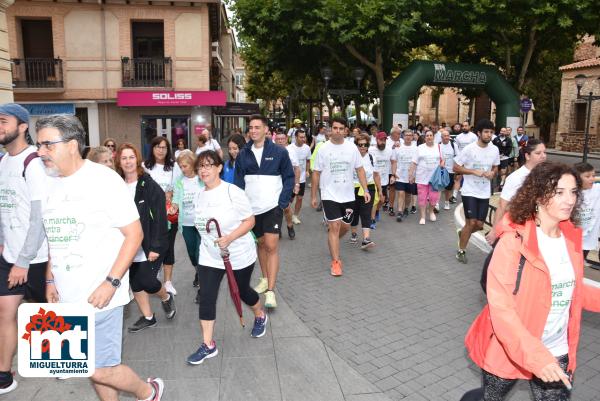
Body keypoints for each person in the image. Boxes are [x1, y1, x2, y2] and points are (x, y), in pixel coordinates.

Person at [37, 114, 164, 401]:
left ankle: (149, 392)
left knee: (98, 369)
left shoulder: (103, 179)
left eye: (47, 144)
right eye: (39, 144)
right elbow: (55, 238)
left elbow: (135, 235)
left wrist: (111, 282)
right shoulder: (49, 183)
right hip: (66, 295)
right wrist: (50, 278)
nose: (40, 151)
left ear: (71, 145)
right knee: (90, 365)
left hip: (101, 294)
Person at [464, 161, 600, 401]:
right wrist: (537, 357)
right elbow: (502, 309)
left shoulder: (570, 238)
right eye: (558, 192)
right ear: (537, 195)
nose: (569, 200)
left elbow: (571, 290)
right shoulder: (512, 242)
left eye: (573, 192)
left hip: (556, 348)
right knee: (490, 398)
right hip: (510, 346)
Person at [187, 150, 268, 365]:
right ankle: (208, 344)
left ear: (219, 168)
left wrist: (230, 238)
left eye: (208, 165)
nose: (203, 170)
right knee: (206, 295)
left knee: (243, 292)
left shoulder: (233, 192)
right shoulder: (198, 194)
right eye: (200, 166)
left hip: (238, 253)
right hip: (210, 256)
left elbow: (250, 221)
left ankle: (260, 314)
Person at [0, 104, 48, 395]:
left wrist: (23, 260)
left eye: (3, 121)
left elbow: (39, 217)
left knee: (50, 313)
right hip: (9, 254)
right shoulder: (3, 162)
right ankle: (3, 374)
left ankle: (60, 362)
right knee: (5, 311)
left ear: (22, 127)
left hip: (36, 257)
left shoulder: (33, 163)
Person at [234, 114, 294, 308]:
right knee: (260, 244)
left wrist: (282, 202)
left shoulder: (279, 152)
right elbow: (238, 183)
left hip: (272, 207)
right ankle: (265, 278)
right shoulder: (244, 153)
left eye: (257, 127)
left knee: (271, 245)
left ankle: (271, 292)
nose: (253, 131)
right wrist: (238, 206)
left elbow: (289, 178)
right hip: (252, 209)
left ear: (266, 130)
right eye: (250, 127)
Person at [115, 143, 176, 333]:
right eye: (124, 158)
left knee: (148, 282)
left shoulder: (148, 185)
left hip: (149, 243)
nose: (128, 161)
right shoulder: (116, 185)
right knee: (134, 281)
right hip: (125, 244)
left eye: (131, 157)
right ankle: (148, 317)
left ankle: (166, 297)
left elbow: (159, 217)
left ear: (137, 159)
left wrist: (156, 246)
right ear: (119, 161)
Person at [311, 117, 371, 276]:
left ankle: (333, 238)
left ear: (346, 130)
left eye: (340, 128)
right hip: (329, 194)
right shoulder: (323, 148)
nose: (337, 131)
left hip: (348, 194)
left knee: (344, 226)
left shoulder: (352, 148)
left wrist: (365, 190)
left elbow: (360, 170)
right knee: (335, 226)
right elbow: (316, 173)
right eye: (334, 128)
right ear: (330, 130)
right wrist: (313, 196)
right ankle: (336, 262)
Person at [453, 119, 500, 263]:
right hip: (469, 191)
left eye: (491, 132)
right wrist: (473, 171)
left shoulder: (494, 149)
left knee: (479, 225)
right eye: (486, 132)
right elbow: (456, 167)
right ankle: (461, 251)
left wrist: (493, 173)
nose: (489, 135)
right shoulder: (469, 149)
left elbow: (495, 167)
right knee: (471, 222)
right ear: (479, 133)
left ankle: (463, 233)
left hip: (484, 192)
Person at [486, 138, 547, 244]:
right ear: (527, 156)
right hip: (517, 230)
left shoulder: (546, 175)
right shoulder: (516, 177)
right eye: (538, 153)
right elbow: (502, 205)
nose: (543, 156)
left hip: (539, 229)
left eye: (544, 152)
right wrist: (494, 231)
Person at [143, 136, 181, 295]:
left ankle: (168, 282)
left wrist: (174, 203)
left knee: (168, 246)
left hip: (169, 214)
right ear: (152, 148)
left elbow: (179, 187)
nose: (161, 150)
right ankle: (154, 273)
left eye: (164, 147)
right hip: (150, 215)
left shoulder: (174, 166)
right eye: (157, 147)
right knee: (151, 245)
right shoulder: (144, 166)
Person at [172, 150, 204, 293]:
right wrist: (173, 207)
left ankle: (203, 287)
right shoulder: (179, 181)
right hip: (186, 224)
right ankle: (198, 271)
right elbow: (176, 200)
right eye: (180, 166)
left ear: (192, 164)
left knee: (200, 253)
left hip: (202, 223)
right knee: (192, 254)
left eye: (185, 166)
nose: (182, 169)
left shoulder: (201, 179)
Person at [350, 133, 381, 248]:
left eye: (365, 144)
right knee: (354, 212)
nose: (363, 147)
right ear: (356, 145)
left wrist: (381, 190)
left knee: (366, 212)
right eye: (360, 144)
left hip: (369, 187)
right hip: (354, 188)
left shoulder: (372, 158)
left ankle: (366, 239)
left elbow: (376, 175)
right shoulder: (352, 157)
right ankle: (353, 233)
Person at [408, 130, 443, 225]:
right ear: (425, 137)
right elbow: (414, 162)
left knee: (433, 198)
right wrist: (411, 175)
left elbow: (442, 160)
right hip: (421, 178)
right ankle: (423, 216)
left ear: (433, 137)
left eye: (431, 135)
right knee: (422, 198)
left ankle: (431, 211)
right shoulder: (419, 148)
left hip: (434, 179)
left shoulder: (438, 147)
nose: (429, 137)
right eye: (427, 135)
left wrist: (442, 166)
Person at [274, 130, 300, 240]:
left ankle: (290, 226)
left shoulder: (291, 151)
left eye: (282, 139)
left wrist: (297, 184)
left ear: (286, 140)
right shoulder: (271, 151)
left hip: (287, 184)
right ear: (275, 140)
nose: (280, 141)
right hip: (274, 184)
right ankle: (277, 228)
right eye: (278, 139)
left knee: (286, 207)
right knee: (275, 208)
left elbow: (297, 168)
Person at [574, 162, 600, 263]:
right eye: (587, 176)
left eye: (593, 175)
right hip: (573, 236)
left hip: (589, 237)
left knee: (580, 262)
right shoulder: (572, 191)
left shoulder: (597, 189)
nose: (592, 179)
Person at [390, 130, 418, 222]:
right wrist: (393, 174)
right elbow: (394, 162)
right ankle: (400, 212)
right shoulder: (398, 148)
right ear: (403, 136)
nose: (408, 137)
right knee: (401, 193)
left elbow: (417, 163)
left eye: (410, 135)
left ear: (412, 137)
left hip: (411, 177)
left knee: (408, 194)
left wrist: (414, 176)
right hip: (400, 176)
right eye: (406, 135)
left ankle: (406, 208)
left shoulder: (416, 148)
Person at [369, 132, 392, 227]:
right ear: (376, 140)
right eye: (380, 140)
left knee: (382, 200)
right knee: (374, 200)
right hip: (373, 179)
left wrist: (393, 175)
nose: (382, 142)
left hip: (384, 179)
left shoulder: (389, 150)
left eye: (384, 140)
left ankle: (377, 211)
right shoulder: (371, 150)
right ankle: (372, 220)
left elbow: (393, 161)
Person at [289, 129, 311, 225]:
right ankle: (287, 213)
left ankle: (295, 216)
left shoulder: (307, 148)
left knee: (300, 198)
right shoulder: (290, 148)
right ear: (296, 137)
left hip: (301, 178)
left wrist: (307, 170)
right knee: (290, 198)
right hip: (291, 178)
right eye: (301, 137)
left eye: (304, 137)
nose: (303, 139)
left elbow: (308, 160)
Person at [438, 129, 458, 210]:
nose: (446, 137)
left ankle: (446, 202)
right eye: (444, 136)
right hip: (440, 169)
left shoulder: (454, 145)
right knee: (438, 187)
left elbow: (457, 157)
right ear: (441, 137)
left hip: (450, 170)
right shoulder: (438, 145)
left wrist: (456, 168)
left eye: (447, 135)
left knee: (448, 188)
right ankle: (436, 204)